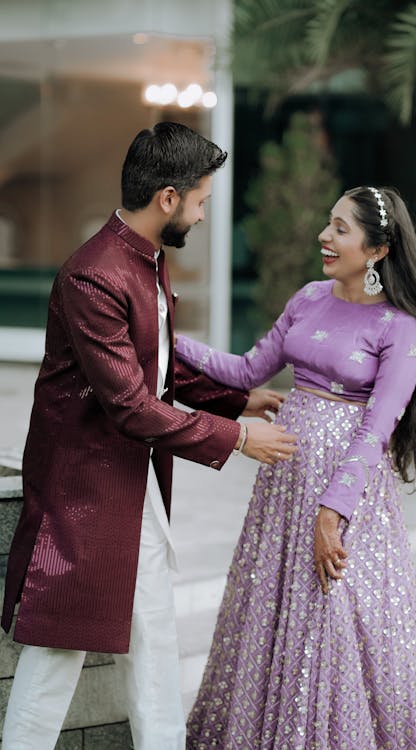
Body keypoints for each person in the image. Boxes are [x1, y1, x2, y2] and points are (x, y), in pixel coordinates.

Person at [0, 121, 297, 750]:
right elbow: (132, 405)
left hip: (130, 488)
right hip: (84, 495)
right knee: (58, 657)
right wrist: (237, 437)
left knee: (154, 639)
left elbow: (158, 362)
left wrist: (240, 398)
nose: (203, 213)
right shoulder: (95, 275)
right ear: (168, 197)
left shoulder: (144, 259)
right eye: (200, 201)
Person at [174, 186, 416, 750]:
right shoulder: (310, 297)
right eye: (328, 223)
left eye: (340, 228)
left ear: (378, 250)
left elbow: (376, 430)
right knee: (271, 608)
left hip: (346, 494)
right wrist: (167, 342)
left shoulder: (400, 330)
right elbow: (244, 371)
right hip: (284, 485)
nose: (324, 236)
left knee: (332, 619)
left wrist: (332, 510)